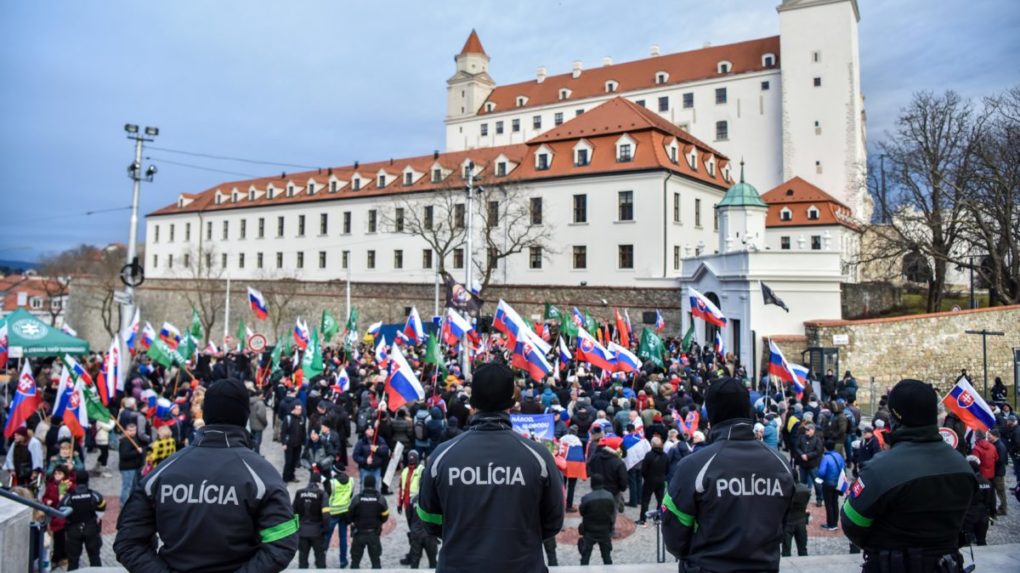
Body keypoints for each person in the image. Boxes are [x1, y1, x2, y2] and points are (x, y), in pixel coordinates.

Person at [114, 378, 298, 572]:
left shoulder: (161, 472)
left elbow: (128, 541)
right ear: (245, 415)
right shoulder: (262, 473)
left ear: (206, 413)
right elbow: (281, 544)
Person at [417, 362, 565, 573]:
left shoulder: (442, 455)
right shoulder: (538, 456)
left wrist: (459, 533)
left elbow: (427, 517)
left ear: (473, 402)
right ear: (512, 402)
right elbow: (554, 520)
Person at [840, 379, 977, 572]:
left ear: (895, 419)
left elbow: (851, 522)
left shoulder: (881, 469)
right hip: (945, 564)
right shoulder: (962, 465)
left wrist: (886, 544)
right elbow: (969, 519)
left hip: (893, 564)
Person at [662, 377, 795, 572]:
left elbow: (674, 535)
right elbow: (787, 521)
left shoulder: (694, 465)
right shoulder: (780, 462)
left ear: (711, 415)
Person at [61, 469, 106, 570]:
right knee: (95, 558)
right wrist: (98, 517)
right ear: (87, 480)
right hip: (91, 528)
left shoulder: (69, 497)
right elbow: (102, 505)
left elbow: (61, 509)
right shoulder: (93, 494)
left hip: (73, 529)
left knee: (73, 560)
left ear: (75, 480)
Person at [348, 474, 389, 569]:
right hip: (373, 534)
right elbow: (385, 516)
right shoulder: (380, 499)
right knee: (376, 562)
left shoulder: (357, 498)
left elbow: (349, 515)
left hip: (359, 534)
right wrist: (379, 521)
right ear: (375, 485)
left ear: (364, 484)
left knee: (355, 562)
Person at [578, 473, 616, 565]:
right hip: (605, 530)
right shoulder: (610, 496)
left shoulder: (586, 498)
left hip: (590, 531)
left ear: (592, 484)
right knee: (607, 558)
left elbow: (582, 512)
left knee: (585, 558)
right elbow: (612, 512)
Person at [293, 471, 328, 569]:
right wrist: (325, 529)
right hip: (317, 532)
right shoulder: (322, 494)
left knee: (303, 560)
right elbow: (326, 515)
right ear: (318, 483)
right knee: (320, 561)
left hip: (302, 532)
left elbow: (293, 512)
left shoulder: (299, 493)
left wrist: (297, 528)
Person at [323, 465, 355, 568]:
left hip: (333, 513)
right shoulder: (351, 481)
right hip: (345, 513)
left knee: (327, 536)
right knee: (343, 537)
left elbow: (327, 496)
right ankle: (343, 560)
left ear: (335, 472)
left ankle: (322, 557)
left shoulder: (332, 483)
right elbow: (350, 495)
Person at [960, 455, 995, 546]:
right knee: (982, 539)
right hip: (983, 513)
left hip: (969, 512)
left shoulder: (967, 482)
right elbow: (992, 499)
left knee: (966, 540)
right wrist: (992, 513)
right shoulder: (987, 482)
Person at [587, 436, 628, 513]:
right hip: (613, 492)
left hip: (597, 490)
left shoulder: (595, 457)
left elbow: (589, 469)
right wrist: (621, 489)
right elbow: (623, 481)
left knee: (597, 512)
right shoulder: (619, 463)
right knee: (611, 514)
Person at [637, 436, 668, 527]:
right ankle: (658, 517)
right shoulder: (665, 455)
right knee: (660, 500)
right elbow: (667, 469)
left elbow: (643, 470)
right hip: (661, 480)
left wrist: (647, 477)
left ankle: (643, 519)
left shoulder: (648, 455)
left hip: (650, 481)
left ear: (652, 444)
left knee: (645, 500)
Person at [817, 440, 846, 530]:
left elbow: (821, 472)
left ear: (825, 447)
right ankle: (835, 523)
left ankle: (831, 524)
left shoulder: (825, 458)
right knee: (835, 502)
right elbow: (843, 468)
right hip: (838, 483)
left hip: (828, 484)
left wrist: (819, 477)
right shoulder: (839, 456)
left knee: (828, 504)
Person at [405, 494, 438, 569]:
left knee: (414, 562)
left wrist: (413, 528)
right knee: (433, 563)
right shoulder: (434, 498)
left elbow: (409, 516)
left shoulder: (412, 499)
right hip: (430, 535)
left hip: (416, 533)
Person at [794, 423, 824, 506]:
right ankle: (803, 499)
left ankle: (819, 499)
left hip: (812, 465)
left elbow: (818, 451)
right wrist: (802, 455)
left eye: (808, 430)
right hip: (803, 464)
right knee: (803, 483)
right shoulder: (801, 437)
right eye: (805, 429)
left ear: (813, 431)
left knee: (817, 483)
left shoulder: (817, 440)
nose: (806, 431)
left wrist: (808, 456)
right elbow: (797, 447)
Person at [117, 422, 146, 506]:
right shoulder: (125, 441)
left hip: (135, 467)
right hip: (128, 468)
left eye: (134, 430)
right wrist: (137, 451)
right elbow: (124, 455)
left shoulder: (134, 439)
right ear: (126, 431)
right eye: (130, 430)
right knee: (127, 487)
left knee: (133, 487)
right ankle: (124, 504)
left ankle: (131, 503)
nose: (132, 432)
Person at [782, 482, 812, 557]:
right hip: (801, 521)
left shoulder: (785, 489)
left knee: (786, 550)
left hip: (788, 522)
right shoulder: (805, 489)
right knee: (802, 549)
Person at [281, 402, 306, 482]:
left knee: (294, 461)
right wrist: (284, 443)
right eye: (298, 409)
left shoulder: (301, 418)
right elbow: (283, 432)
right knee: (288, 462)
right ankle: (285, 478)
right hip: (289, 444)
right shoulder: (288, 418)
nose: (300, 411)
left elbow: (303, 431)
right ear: (293, 410)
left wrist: (304, 441)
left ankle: (292, 476)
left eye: (300, 409)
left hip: (298, 444)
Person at [987, 429, 1008, 516]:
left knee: (1000, 491)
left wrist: (992, 462)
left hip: (998, 473)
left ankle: (1003, 509)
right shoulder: (995, 444)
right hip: (996, 472)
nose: (988, 436)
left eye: (989, 435)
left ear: (995, 436)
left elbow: (1001, 460)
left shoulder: (1000, 446)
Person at [249, 385, 269, 454]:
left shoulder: (250, 402)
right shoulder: (260, 403)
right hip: (258, 425)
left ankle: (253, 452)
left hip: (252, 424)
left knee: (253, 440)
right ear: (260, 395)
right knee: (258, 442)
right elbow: (262, 415)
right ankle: (256, 454)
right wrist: (265, 423)